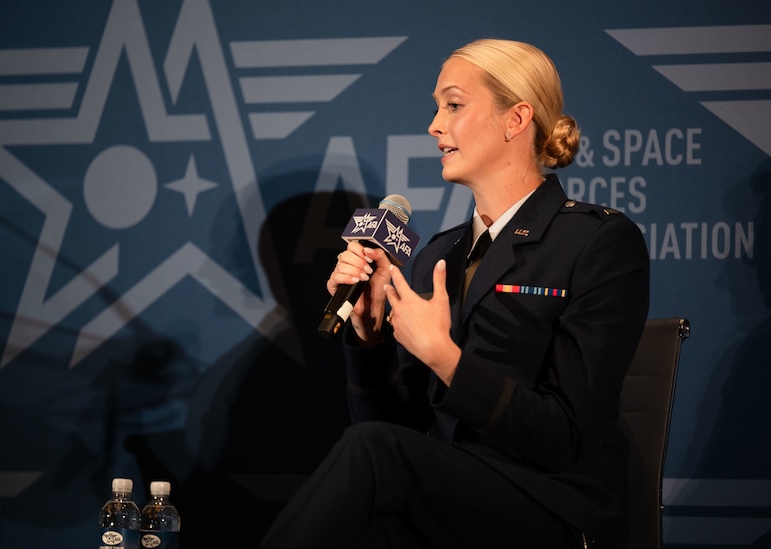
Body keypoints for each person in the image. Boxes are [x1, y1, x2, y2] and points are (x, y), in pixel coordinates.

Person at [259, 38, 649, 549]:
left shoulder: (598, 241)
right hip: (449, 497)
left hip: (551, 505)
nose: (434, 125)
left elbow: (563, 437)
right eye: (437, 107)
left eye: (454, 105)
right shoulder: (438, 255)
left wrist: (445, 357)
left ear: (516, 119)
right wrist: (371, 336)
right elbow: (392, 430)